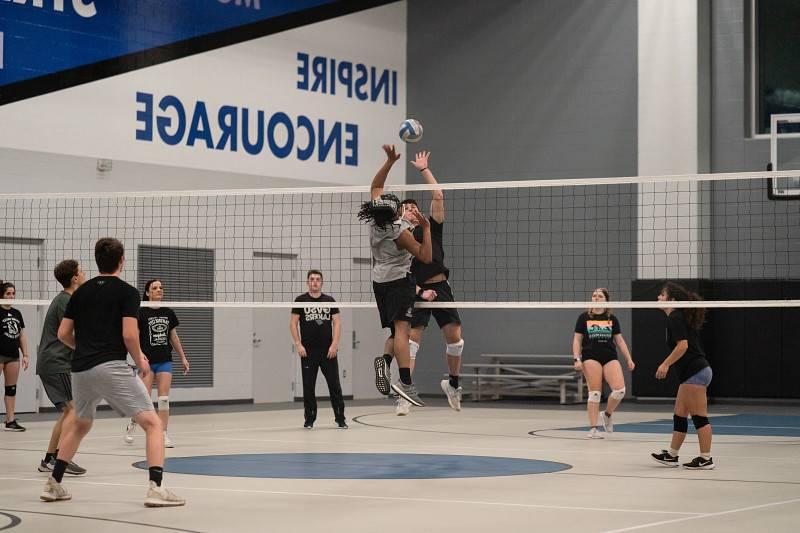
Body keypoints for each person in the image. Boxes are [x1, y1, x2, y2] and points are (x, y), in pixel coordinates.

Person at [40, 237, 185, 506]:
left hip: (80, 368)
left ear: (97, 261)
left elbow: (63, 334)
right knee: (153, 424)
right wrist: (140, 358)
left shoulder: (79, 292)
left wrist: (83, 349)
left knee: (81, 423)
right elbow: (130, 334)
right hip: (111, 365)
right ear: (122, 261)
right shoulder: (128, 292)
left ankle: (54, 484)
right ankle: (156, 489)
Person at [378, 150, 465, 416]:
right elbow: (400, 269)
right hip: (415, 289)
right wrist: (418, 291)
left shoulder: (432, 228)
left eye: (415, 207)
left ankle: (453, 384)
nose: (413, 210)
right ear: (401, 215)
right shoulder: (400, 236)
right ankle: (404, 394)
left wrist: (424, 169)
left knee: (456, 340)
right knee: (411, 340)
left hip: (441, 287)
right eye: (407, 208)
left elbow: (438, 196)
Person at [358, 144, 432, 408]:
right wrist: (426, 227)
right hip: (399, 281)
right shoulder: (400, 232)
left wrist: (389, 162)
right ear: (395, 212)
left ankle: (385, 362)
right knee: (404, 331)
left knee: (394, 332)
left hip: (379, 281)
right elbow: (425, 257)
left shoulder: (373, 221)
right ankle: (405, 383)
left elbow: (375, 187)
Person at [651, 282, 714, 470]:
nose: (658, 298)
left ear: (672, 299)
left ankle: (706, 458)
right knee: (680, 414)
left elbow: (683, 346)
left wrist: (665, 364)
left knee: (699, 417)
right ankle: (672, 455)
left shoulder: (676, 317)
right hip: (693, 373)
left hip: (695, 372)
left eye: (661, 295)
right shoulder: (677, 317)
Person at [36, 260, 87, 475]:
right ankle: (58, 459)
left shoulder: (68, 300)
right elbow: (70, 335)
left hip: (54, 362)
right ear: (75, 278)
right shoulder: (65, 301)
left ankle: (50, 459)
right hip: (56, 363)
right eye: (81, 271)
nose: (84, 274)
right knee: (73, 411)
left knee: (69, 411)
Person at [124, 279, 189, 448]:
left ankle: (163, 433)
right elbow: (135, 336)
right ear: (147, 293)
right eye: (155, 288)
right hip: (147, 361)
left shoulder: (168, 312)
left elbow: (173, 336)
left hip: (165, 360)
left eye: (161, 287)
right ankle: (132, 422)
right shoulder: (141, 312)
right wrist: (139, 355)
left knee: (164, 399)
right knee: (143, 398)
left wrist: (183, 357)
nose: (159, 290)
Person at [572, 288, 635, 438]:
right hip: (590, 357)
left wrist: (629, 358)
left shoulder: (611, 318)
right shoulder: (584, 317)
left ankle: (607, 414)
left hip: (609, 357)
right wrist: (577, 358)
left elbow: (619, 340)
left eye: (600, 296)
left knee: (620, 390)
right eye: (594, 295)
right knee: (595, 393)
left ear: (606, 300)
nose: (596, 298)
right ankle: (593, 429)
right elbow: (577, 339)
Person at [290, 270, 346, 429]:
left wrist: (335, 344)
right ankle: (310, 419)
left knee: (334, 385)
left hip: (328, 351)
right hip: (308, 351)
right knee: (308, 387)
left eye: (318, 279)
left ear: (322, 282)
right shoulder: (300, 300)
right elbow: (293, 323)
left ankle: (340, 418)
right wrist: (298, 344)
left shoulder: (329, 300)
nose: (315, 282)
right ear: (307, 282)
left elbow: (337, 323)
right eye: (312, 279)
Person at [1, 282, 29, 431]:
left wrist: (25, 354)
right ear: (2, 295)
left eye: (13, 293)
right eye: (8, 293)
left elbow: (22, 336)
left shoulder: (17, 313)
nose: (11, 296)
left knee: (11, 388)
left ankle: (10, 420)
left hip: (13, 355)